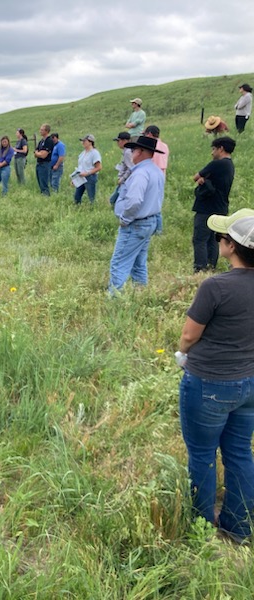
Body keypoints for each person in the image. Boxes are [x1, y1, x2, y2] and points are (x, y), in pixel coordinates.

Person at [177, 213, 254, 545]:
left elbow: (189, 335)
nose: (219, 240)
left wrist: (182, 353)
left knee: (202, 454)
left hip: (209, 383)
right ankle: (238, 528)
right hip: (249, 382)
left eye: (223, 236)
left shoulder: (215, 287)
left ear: (231, 246)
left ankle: (201, 529)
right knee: (239, 452)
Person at [107, 135, 164, 294]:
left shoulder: (140, 173)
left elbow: (134, 201)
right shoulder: (156, 171)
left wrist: (125, 219)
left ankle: (114, 299)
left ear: (140, 151)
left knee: (119, 263)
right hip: (149, 221)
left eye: (133, 149)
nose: (131, 153)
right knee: (139, 262)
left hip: (136, 224)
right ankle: (141, 293)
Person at [191, 136, 236, 272]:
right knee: (212, 240)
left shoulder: (216, 164)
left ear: (221, 149)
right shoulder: (229, 165)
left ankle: (200, 268)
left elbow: (196, 177)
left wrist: (202, 179)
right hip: (221, 207)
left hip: (207, 208)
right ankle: (211, 267)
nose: (212, 153)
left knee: (200, 239)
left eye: (214, 149)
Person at [144, 125, 169, 234]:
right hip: (162, 176)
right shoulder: (165, 146)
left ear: (149, 134)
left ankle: (157, 229)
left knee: (151, 203)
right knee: (157, 202)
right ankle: (158, 229)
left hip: (152, 176)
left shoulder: (151, 146)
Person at [72, 134, 102, 205]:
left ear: (90, 142)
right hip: (81, 176)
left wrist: (88, 173)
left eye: (84, 141)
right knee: (77, 196)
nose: (83, 142)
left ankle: (93, 209)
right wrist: (74, 178)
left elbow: (99, 167)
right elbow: (80, 166)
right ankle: (77, 208)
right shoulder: (83, 153)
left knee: (91, 197)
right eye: (82, 141)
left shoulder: (94, 153)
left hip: (90, 177)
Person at [108, 132, 134, 207]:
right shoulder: (126, 151)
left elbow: (131, 168)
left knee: (114, 200)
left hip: (125, 181)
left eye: (119, 141)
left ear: (125, 141)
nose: (117, 143)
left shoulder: (127, 152)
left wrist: (122, 179)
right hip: (124, 181)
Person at [33, 123, 54, 196]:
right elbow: (35, 153)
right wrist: (38, 153)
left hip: (45, 164)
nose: (40, 131)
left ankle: (46, 196)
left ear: (47, 131)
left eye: (42, 130)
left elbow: (43, 155)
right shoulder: (41, 141)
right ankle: (43, 195)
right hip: (39, 164)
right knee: (40, 182)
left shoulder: (49, 141)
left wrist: (38, 153)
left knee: (44, 183)